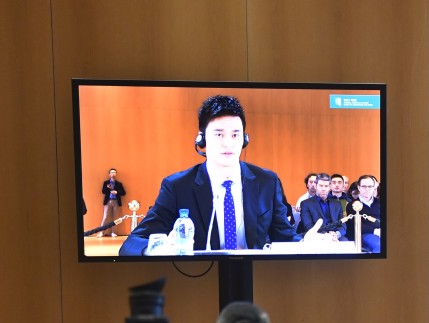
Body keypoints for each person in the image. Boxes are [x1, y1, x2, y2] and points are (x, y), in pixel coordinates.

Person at [119, 95, 299, 255]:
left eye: (235, 135)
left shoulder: (267, 182)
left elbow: (285, 237)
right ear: (202, 139)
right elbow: (132, 243)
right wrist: (157, 248)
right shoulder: (177, 187)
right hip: (201, 280)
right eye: (219, 134)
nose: (228, 144)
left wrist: (310, 244)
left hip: (255, 275)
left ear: (244, 139)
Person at [297, 173, 345, 241]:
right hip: (315, 236)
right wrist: (326, 236)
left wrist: (337, 234)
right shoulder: (305, 204)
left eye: (326, 186)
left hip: (335, 236)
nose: (323, 189)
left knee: (347, 245)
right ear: (316, 186)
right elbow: (308, 226)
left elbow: (343, 224)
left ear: (330, 187)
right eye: (321, 186)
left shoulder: (337, 203)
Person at [350, 174, 382, 253]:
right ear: (359, 187)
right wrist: (375, 231)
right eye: (364, 186)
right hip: (365, 234)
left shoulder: (380, 203)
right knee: (380, 246)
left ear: (374, 187)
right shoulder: (353, 205)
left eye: (370, 186)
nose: (367, 189)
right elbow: (354, 224)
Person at [99, 168, 126, 236]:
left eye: (114, 172)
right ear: (109, 174)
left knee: (116, 217)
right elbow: (103, 191)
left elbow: (123, 192)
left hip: (116, 201)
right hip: (108, 201)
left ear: (116, 174)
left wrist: (116, 192)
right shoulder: (106, 183)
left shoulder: (119, 184)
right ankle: (101, 232)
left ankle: (114, 232)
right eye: (111, 172)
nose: (113, 173)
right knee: (105, 217)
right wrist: (108, 188)